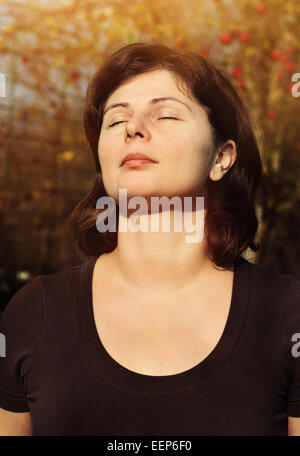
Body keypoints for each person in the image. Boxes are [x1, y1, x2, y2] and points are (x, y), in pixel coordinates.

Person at [1, 42, 300, 436]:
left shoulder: (285, 314)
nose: (133, 128)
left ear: (221, 158)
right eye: (114, 119)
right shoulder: (32, 314)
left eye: (166, 114)